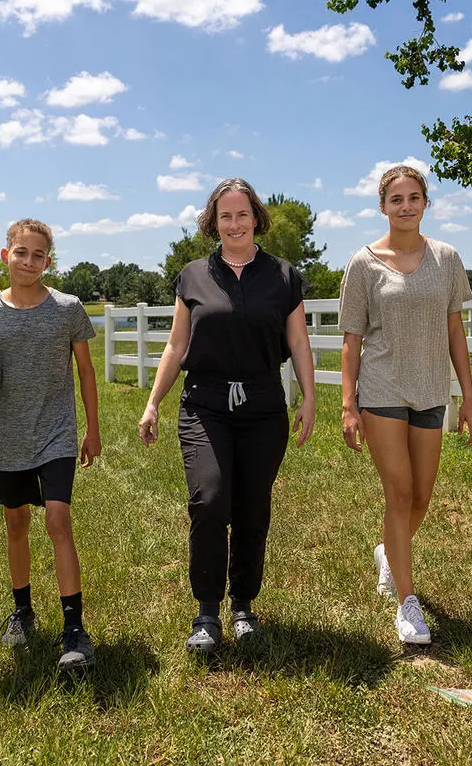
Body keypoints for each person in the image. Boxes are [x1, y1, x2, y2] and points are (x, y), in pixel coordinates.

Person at [139, 178, 316, 653]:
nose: (234, 224)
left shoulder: (283, 276)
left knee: (253, 509)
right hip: (205, 406)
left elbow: (297, 341)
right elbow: (177, 344)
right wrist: (154, 401)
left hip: (263, 408)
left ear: (256, 217)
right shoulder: (193, 276)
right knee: (210, 501)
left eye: (242, 215)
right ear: (212, 223)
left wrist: (310, 397)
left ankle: (242, 606)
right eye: (225, 216)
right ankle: (205, 613)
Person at [0, 218, 101, 670]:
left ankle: (74, 629)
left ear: (49, 261)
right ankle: (23, 610)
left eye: (39, 255)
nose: (30, 262)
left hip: (56, 431)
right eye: (21, 252)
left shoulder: (68, 308)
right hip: (7, 434)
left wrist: (93, 429)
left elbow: (86, 372)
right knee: (15, 525)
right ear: (6, 255)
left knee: (58, 519)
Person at [339, 165, 472, 645]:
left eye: (413, 197)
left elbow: (455, 332)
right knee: (399, 495)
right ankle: (406, 602)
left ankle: (388, 552)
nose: (405, 206)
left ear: (425, 203)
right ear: (383, 207)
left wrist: (469, 397)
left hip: (430, 391)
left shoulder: (446, 258)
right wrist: (348, 404)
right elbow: (350, 340)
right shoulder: (363, 264)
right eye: (396, 199)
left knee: (422, 497)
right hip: (381, 390)